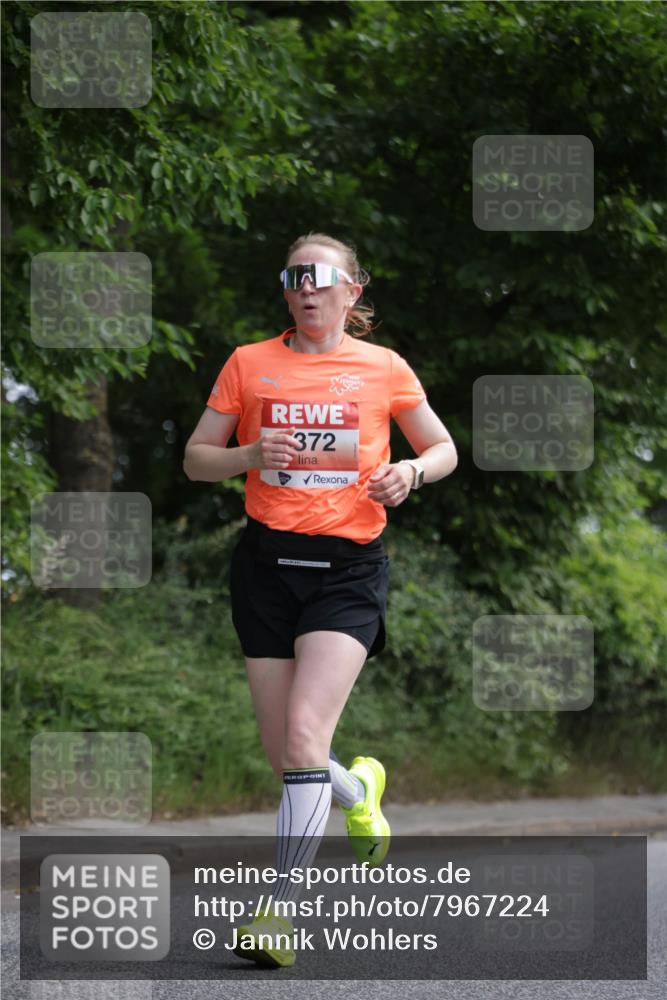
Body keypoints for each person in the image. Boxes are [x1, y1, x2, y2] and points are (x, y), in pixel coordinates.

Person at [183, 232, 458, 967]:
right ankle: (358, 785)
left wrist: (411, 473)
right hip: (265, 569)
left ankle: (279, 915)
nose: (305, 288)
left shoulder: (382, 367)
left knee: (304, 739)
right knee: (286, 757)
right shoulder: (249, 363)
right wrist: (245, 455)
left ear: (351, 289)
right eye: (292, 277)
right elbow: (193, 459)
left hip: (347, 571)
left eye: (319, 276)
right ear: (286, 289)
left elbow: (442, 447)